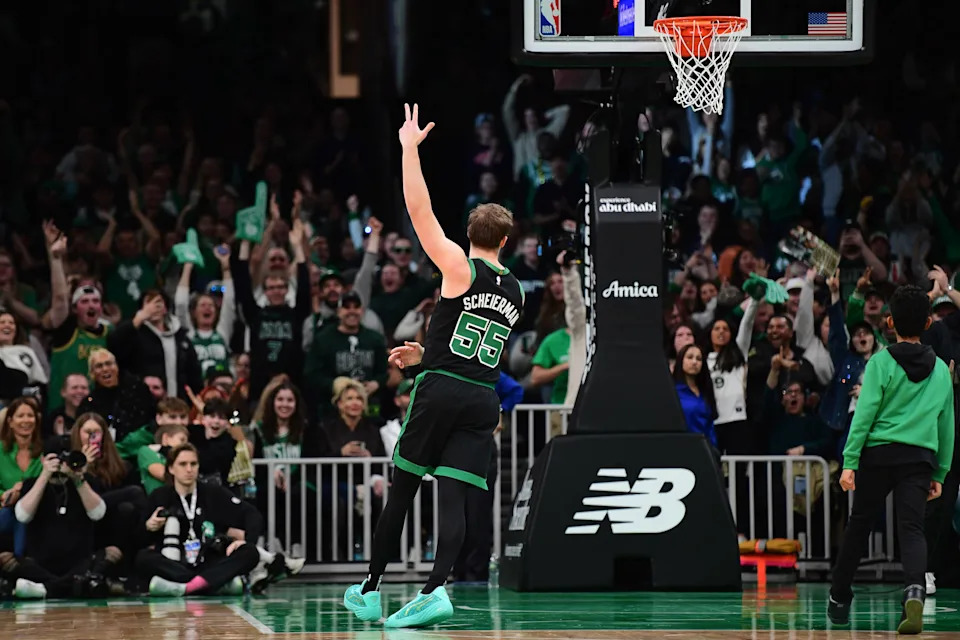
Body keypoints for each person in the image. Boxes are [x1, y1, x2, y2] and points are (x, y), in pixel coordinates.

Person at [343, 105, 523, 628]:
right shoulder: (515, 290)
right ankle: (435, 590)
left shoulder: (457, 264)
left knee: (401, 488)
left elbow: (418, 208)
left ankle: (371, 589)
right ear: (505, 242)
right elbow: (476, 342)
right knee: (455, 499)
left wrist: (408, 148)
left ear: (470, 235)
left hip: (441, 389)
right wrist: (426, 353)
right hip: (481, 399)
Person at [828, 285, 955, 635]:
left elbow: (864, 415)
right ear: (929, 322)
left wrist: (850, 461)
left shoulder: (882, 362)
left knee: (859, 525)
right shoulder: (942, 370)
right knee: (912, 530)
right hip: (918, 459)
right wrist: (940, 471)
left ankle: (839, 597)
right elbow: (947, 425)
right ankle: (913, 593)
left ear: (888, 322)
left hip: (878, 455)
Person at [136, 444, 259, 597]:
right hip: (175, 563)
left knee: (250, 552)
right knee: (143, 558)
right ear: (171, 469)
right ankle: (212, 584)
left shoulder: (213, 492)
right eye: (183, 464)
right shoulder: (159, 496)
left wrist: (247, 540)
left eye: (193, 464)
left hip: (209, 560)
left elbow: (251, 513)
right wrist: (150, 526)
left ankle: (189, 587)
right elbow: (140, 537)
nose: (189, 469)